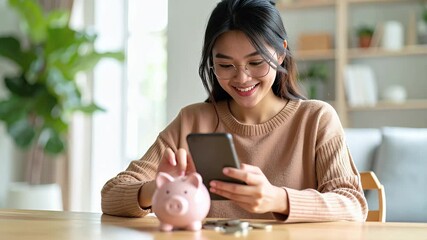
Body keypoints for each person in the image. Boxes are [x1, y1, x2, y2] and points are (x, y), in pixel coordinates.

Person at [101, 0, 368, 222]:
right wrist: (158, 188)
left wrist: (276, 198)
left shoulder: (316, 119)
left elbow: (353, 204)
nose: (242, 78)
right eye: (225, 65)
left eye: (255, 62)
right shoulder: (192, 120)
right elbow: (111, 194)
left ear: (279, 53)